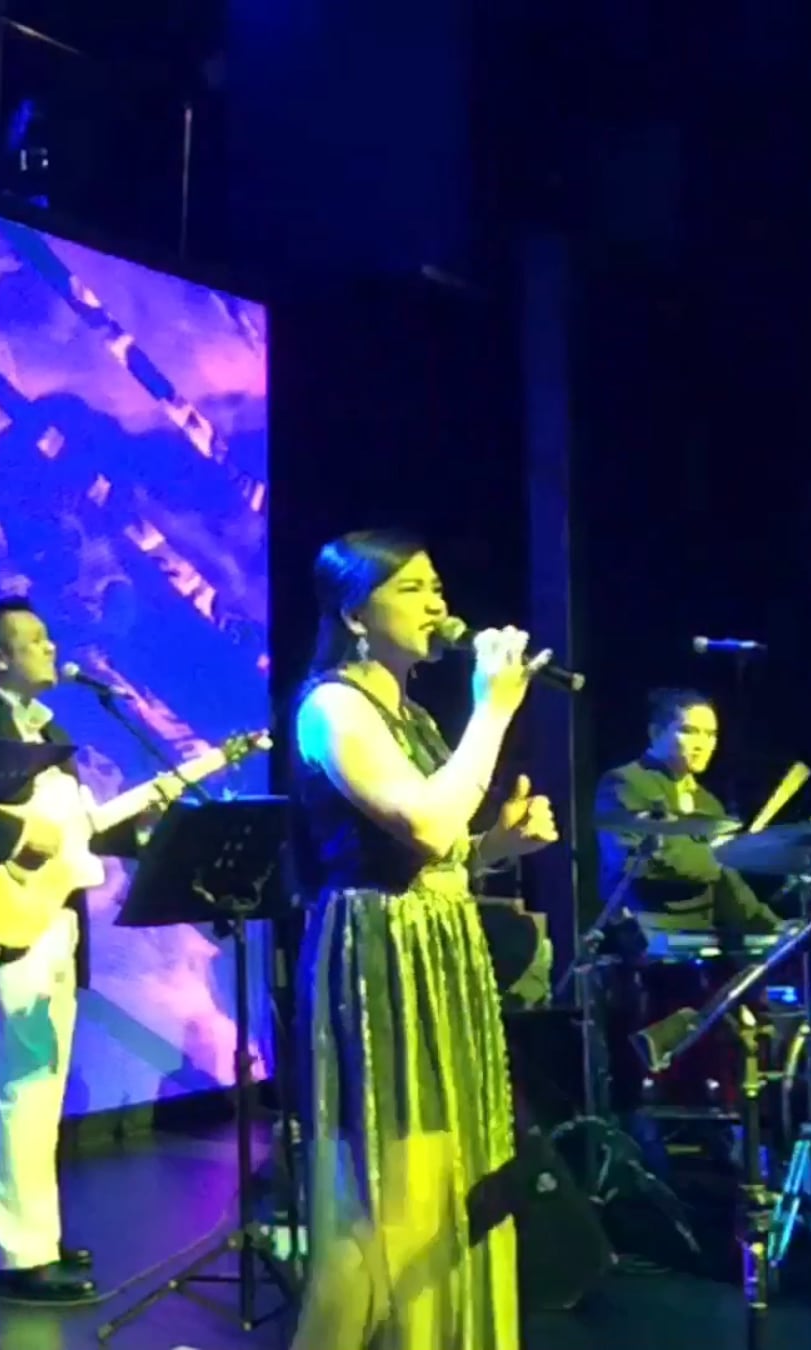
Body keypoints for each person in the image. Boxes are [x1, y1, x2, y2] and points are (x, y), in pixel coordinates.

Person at [287, 531, 554, 1350]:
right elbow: (428, 824)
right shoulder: (333, 708)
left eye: (436, 585)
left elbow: (441, 848)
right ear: (353, 615)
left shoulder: (415, 716)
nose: (437, 603)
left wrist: (496, 847)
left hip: (437, 942)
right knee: (390, 1189)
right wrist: (495, 707)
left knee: (445, 1175)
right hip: (380, 953)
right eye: (410, 589)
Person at [0, 596, 177, 1303]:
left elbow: (76, 834)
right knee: (28, 1082)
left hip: (55, 918)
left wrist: (142, 827)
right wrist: (18, 839)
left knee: (41, 1080)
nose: (51, 648)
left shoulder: (53, 731)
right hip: (5, 920)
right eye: (34, 639)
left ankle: (12, 1231)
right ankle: (22, 1255)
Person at [593, 688, 778, 944]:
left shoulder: (708, 802)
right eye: (689, 731)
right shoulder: (625, 782)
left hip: (701, 935)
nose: (703, 744)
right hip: (645, 933)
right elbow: (635, 862)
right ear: (656, 733)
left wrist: (772, 927)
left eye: (711, 734)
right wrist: (717, 856)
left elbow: (729, 884)